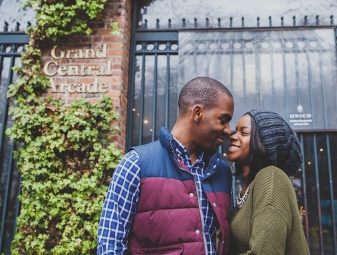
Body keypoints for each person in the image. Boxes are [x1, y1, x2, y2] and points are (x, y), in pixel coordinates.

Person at [97, 77, 235, 255]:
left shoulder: (222, 172)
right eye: (223, 119)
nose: (228, 129)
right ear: (198, 113)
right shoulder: (136, 163)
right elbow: (110, 244)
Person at [227, 109, 309, 255]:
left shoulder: (270, 177)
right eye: (235, 131)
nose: (232, 136)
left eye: (243, 132)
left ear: (264, 143)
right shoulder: (248, 188)